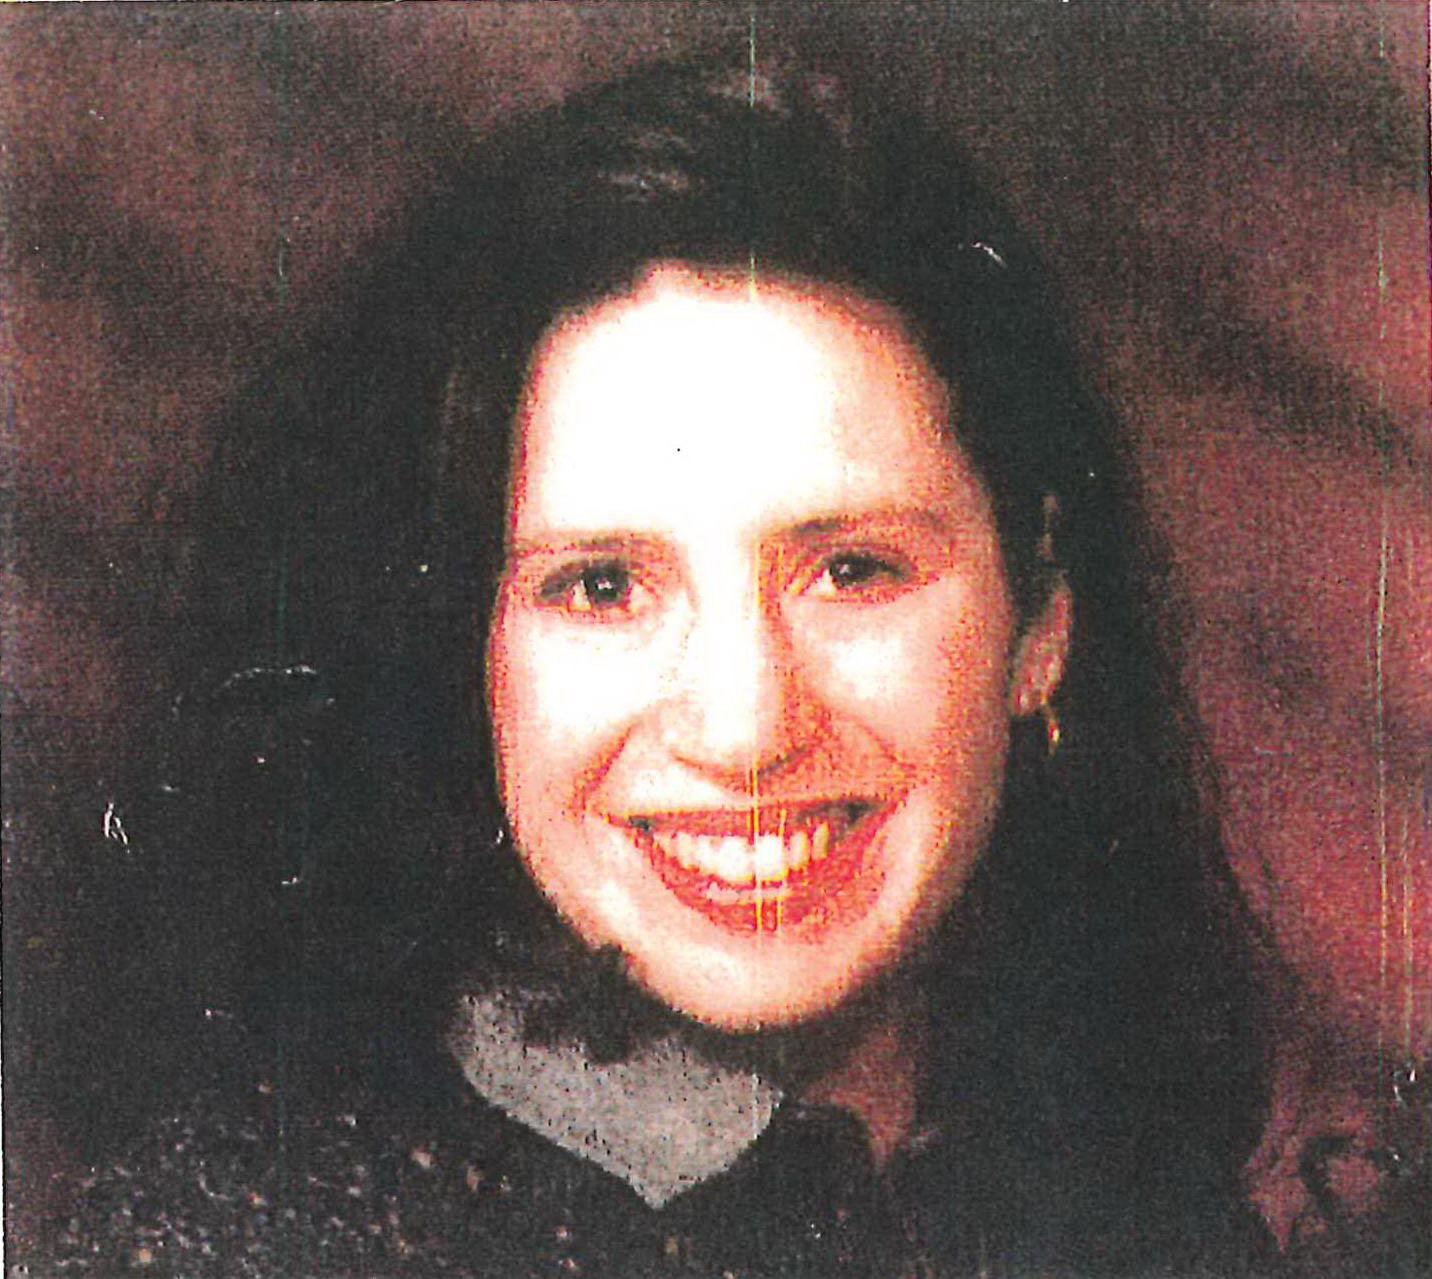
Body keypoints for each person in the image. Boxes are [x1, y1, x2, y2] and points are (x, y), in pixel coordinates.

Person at [40, 56, 1266, 1278]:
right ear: (463, 648)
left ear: (1039, 619)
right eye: (601, 587)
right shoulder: (237, 1241)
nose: (744, 727)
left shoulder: (1158, 1219)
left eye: (851, 569)